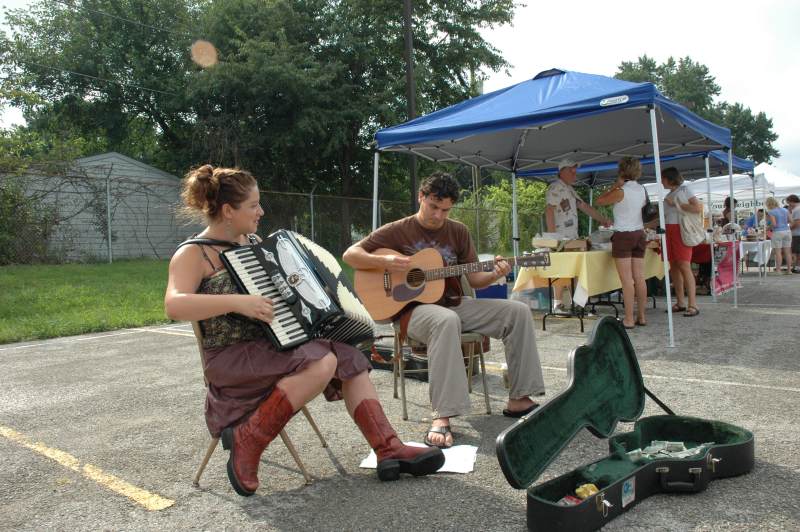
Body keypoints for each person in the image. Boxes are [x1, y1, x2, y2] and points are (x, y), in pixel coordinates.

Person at [164, 165, 444, 496]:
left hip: (273, 346)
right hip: (230, 359)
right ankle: (248, 438)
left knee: (349, 356)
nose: (261, 211)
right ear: (228, 211)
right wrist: (237, 302)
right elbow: (175, 304)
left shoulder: (255, 243)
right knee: (322, 361)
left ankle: (388, 446)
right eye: (253, 205)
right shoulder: (194, 253)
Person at [343, 172, 545, 448]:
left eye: (445, 210)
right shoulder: (398, 229)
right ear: (421, 197)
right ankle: (442, 416)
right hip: (411, 311)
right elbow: (350, 255)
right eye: (433, 207)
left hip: (453, 302)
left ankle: (520, 398)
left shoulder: (458, 231)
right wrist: (388, 262)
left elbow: (475, 280)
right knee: (445, 321)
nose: (438, 215)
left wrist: (498, 272)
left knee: (517, 312)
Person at [545, 159, 612, 312]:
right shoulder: (555, 187)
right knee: (560, 270)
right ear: (562, 171)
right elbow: (549, 210)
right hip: (560, 238)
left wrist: (603, 220)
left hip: (571, 238)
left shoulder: (570, 190)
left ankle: (578, 304)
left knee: (573, 270)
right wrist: (552, 236)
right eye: (571, 171)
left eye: (575, 171)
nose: (575, 174)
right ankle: (558, 303)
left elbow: (585, 207)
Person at [595, 157, 648, 329]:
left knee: (626, 280)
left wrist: (615, 186)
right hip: (640, 233)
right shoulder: (642, 190)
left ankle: (629, 319)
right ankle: (641, 316)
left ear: (622, 171)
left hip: (624, 234)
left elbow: (599, 201)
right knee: (639, 278)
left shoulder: (621, 191)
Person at [660, 167, 702, 317]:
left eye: (663, 178)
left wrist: (677, 204)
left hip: (681, 230)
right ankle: (680, 301)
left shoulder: (685, 190)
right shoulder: (669, 195)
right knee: (674, 266)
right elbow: (663, 216)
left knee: (684, 265)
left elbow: (697, 208)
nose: (661, 181)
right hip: (669, 230)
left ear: (670, 179)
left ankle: (693, 304)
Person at [764, 196, 793, 274]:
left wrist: (767, 228)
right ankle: (789, 270)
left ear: (768, 204)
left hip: (777, 232)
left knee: (778, 252)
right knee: (788, 252)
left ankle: (778, 270)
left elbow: (774, 224)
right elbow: (790, 221)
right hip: (787, 231)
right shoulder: (785, 210)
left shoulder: (771, 212)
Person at [787, 194, 800, 273]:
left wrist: (788, 228)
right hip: (797, 234)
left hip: (797, 234)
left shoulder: (797, 209)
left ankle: (797, 268)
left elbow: (798, 223)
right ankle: (796, 267)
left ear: (792, 201)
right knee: (797, 252)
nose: (789, 205)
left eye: (789, 203)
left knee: (796, 252)